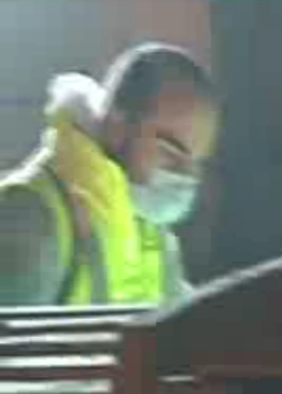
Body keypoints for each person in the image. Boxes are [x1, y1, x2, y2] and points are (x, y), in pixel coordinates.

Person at [0, 43, 218, 307]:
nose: (185, 177)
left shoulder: (152, 231)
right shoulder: (30, 216)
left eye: (196, 162)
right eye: (171, 151)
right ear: (117, 123)